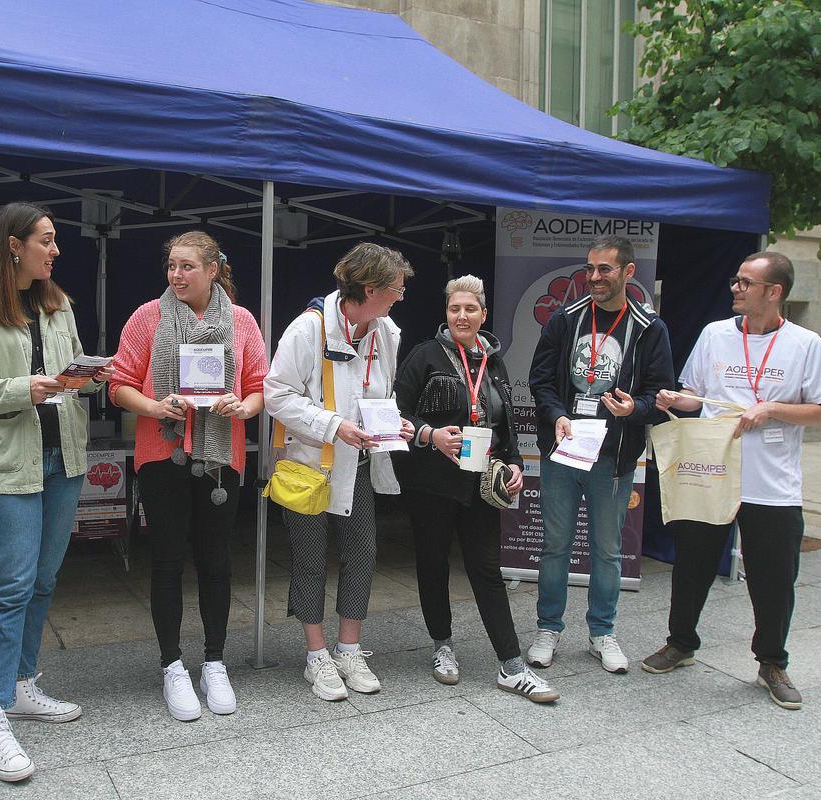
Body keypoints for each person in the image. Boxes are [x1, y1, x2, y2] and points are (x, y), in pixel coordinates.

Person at [0, 202, 111, 782]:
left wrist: (90, 378)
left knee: (42, 580)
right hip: (4, 466)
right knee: (6, 587)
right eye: (47, 240)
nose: (55, 251)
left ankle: (20, 686)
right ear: (14, 245)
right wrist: (19, 389)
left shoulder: (59, 306)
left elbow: (66, 381)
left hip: (63, 459)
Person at [642, 252, 821, 710]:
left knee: (774, 577)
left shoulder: (805, 343)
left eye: (746, 282)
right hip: (712, 472)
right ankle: (681, 643)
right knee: (692, 564)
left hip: (771, 483)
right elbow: (695, 396)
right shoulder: (715, 334)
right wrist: (675, 398)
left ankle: (772, 662)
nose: (736, 287)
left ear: (774, 292)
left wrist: (771, 409)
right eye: (735, 280)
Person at [109, 231, 267, 721]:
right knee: (167, 561)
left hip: (222, 459)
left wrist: (243, 407)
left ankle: (214, 662)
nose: (176, 275)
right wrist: (156, 407)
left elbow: (260, 386)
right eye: (172, 266)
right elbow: (118, 385)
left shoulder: (241, 320)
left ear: (212, 270)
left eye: (187, 266)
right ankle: (172, 665)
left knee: (217, 561)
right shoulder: (148, 317)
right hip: (163, 454)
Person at [393, 275, 558, 702]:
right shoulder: (425, 356)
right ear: (446, 314)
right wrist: (431, 434)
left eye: (470, 309)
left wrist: (516, 463)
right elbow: (396, 412)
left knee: (486, 569)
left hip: (482, 484)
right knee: (433, 563)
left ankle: (511, 665)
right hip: (432, 482)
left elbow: (506, 423)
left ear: (483, 314)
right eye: (454, 309)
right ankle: (442, 646)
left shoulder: (493, 361)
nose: (461, 316)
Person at [264, 242, 414, 701]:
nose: (401, 296)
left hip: (360, 464)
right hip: (310, 466)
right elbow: (276, 395)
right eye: (396, 289)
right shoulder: (308, 329)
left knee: (362, 555)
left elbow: (379, 393)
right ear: (369, 289)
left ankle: (349, 649)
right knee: (310, 561)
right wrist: (333, 425)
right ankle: (316, 655)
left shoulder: (387, 332)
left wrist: (394, 422)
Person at [526, 234, 673, 673]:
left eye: (604, 269)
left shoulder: (649, 328)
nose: (594, 277)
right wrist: (556, 414)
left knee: (607, 550)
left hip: (612, 458)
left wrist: (635, 409)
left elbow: (660, 396)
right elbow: (540, 380)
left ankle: (602, 632)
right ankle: (548, 628)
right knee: (555, 546)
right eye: (590, 269)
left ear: (628, 272)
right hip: (563, 452)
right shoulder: (565, 319)